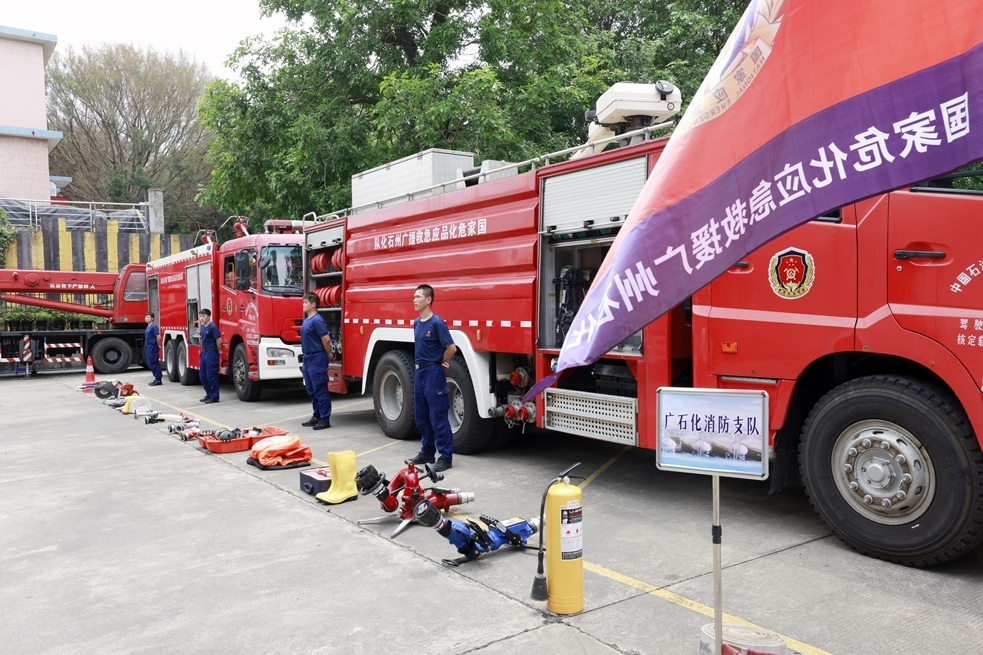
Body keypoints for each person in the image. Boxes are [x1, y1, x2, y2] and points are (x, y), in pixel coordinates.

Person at [409, 284, 457, 472]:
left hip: (433, 374)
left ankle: (445, 457)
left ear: (428, 300)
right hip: (419, 372)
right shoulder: (416, 323)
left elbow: (451, 348)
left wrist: (438, 362)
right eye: (414, 297)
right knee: (421, 416)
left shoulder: (437, 323)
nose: (414, 300)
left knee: (437, 415)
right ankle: (427, 452)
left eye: (418, 297)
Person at [300, 293, 332, 430]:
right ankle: (317, 416)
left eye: (305, 302)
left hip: (317, 357)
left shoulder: (317, 320)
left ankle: (325, 419)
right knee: (311, 389)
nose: (303, 304)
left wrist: (328, 353)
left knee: (320, 389)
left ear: (313, 304)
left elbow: (326, 339)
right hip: (307, 358)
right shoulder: (307, 320)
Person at [198, 309, 222, 404]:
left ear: (208, 316)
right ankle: (208, 393)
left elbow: (219, 340)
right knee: (202, 375)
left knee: (211, 375)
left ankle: (214, 396)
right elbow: (201, 339)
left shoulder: (213, 327)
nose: (201, 318)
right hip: (204, 352)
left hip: (211, 352)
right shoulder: (203, 327)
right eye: (200, 316)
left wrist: (217, 350)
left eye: (203, 316)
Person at [145, 312, 163, 386]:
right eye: (145, 317)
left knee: (153, 362)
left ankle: (158, 379)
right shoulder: (148, 327)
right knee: (149, 363)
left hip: (152, 346)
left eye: (148, 317)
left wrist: (159, 345)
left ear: (152, 318)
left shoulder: (154, 326)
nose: (146, 318)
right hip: (148, 346)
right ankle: (156, 378)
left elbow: (158, 337)